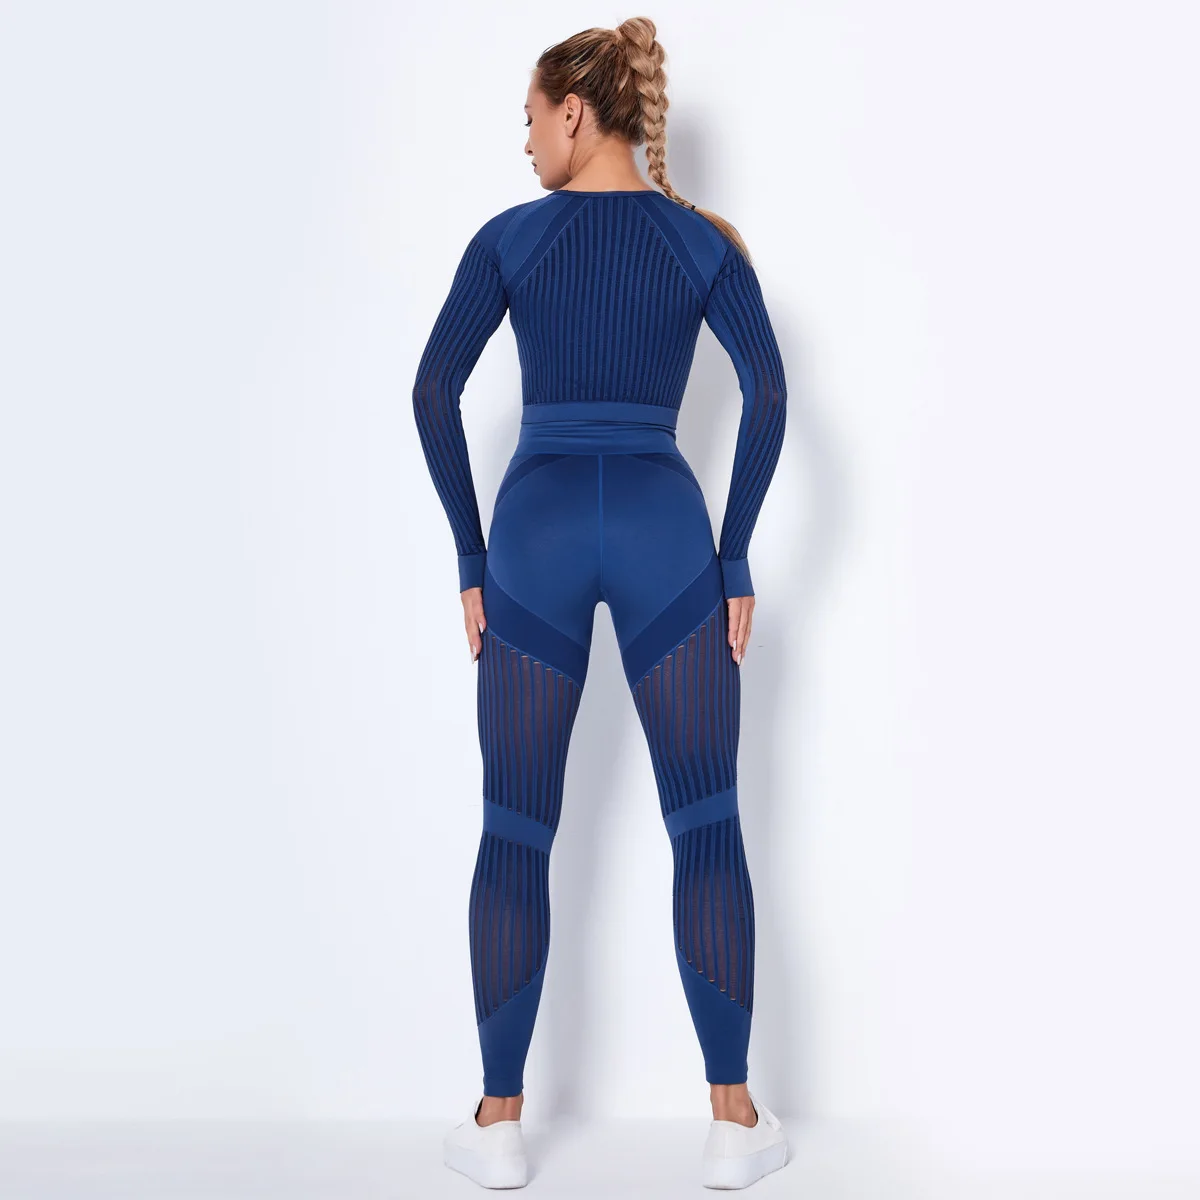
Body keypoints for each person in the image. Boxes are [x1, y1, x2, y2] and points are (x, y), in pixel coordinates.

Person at [411, 17, 789, 1191]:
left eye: (530, 118)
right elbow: (769, 393)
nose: (524, 141)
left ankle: (498, 1124)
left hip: (536, 533)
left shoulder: (509, 240)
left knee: (515, 829)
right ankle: (734, 1123)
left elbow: (432, 392)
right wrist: (733, 556)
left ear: (575, 113)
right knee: (707, 822)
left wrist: (471, 554)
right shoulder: (699, 244)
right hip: (668, 535)